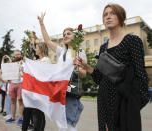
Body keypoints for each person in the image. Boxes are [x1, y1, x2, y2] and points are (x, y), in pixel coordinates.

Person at [74, 3, 149, 131]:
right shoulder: (103, 48)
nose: (108, 17)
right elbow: (99, 78)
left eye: (112, 13)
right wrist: (86, 66)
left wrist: (133, 106)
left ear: (121, 17)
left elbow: (141, 76)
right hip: (104, 101)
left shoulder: (132, 41)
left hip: (123, 103)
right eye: (105, 15)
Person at [38, 13, 87, 131]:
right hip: (60, 89)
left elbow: (84, 73)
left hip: (71, 90)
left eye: (68, 33)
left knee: (69, 124)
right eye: (64, 34)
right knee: (61, 123)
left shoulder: (79, 52)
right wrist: (42, 24)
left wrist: (77, 68)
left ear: (75, 36)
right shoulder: (62, 52)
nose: (65, 36)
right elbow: (48, 42)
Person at [22, 42, 51, 131]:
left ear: (41, 49)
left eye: (37, 48)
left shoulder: (46, 60)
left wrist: (29, 65)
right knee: (27, 112)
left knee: (38, 113)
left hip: (39, 91)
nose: (35, 50)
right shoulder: (37, 61)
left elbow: (41, 73)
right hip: (32, 90)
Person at [5, 50, 24, 126]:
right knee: (13, 101)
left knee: (20, 101)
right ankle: (12, 117)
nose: (17, 56)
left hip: (21, 83)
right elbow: (7, 72)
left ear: (21, 55)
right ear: (14, 55)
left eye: (19, 54)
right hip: (12, 83)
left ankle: (21, 118)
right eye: (16, 54)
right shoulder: (11, 63)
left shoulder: (24, 62)